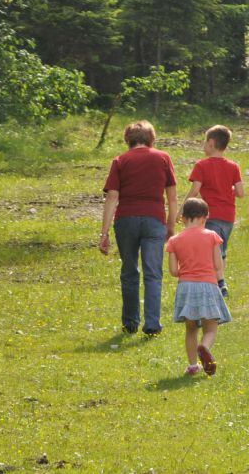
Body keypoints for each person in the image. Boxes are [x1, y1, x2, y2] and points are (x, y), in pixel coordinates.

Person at [99, 120, 178, 336]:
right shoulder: (163, 158)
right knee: (153, 273)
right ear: (152, 139)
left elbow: (112, 197)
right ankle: (152, 324)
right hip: (154, 220)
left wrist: (104, 233)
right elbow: (172, 198)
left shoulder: (120, 160)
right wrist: (171, 225)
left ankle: (130, 322)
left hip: (126, 220)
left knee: (129, 271)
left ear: (128, 139)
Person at [167, 198, 232, 376]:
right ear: (205, 218)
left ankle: (193, 365)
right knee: (210, 328)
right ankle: (204, 346)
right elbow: (218, 265)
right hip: (208, 285)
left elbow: (173, 270)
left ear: (183, 218)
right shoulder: (211, 236)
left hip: (185, 287)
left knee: (191, 329)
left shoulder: (174, 240)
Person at [183, 125, 244, 298]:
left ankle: (218, 283)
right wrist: (226, 189)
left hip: (210, 215)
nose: (203, 146)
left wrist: (183, 208)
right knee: (221, 248)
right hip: (228, 216)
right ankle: (219, 282)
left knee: (212, 250)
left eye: (204, 142)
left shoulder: (202, 165)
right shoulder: (233, 166)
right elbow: (240, 193)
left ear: (210, 143)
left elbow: (195, 190)